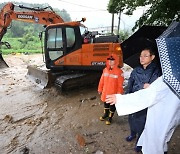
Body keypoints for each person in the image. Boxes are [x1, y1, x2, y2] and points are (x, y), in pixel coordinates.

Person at [105, 76, 180, 154]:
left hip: (160, 117)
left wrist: (120, 99)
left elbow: (148, 95)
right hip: (173, 116)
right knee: (163, 138)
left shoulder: (169, 78)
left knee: (154, 143)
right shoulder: (176, 78)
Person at [124, 47, 161, 152]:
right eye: (141, 56)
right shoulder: (136, 70)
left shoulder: (156, 70)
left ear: (152, 57)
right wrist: (127, 96)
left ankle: (140, 141)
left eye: (145, 55)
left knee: (141, 120)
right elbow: (130, 83)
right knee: (131, 117)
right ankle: (132, 133)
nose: (142, 58)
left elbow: (156, 86)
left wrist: (151, 85)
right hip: (134, 97)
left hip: (145, 100)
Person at [98, 54, 124, 125]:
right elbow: (101, 80)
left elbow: (120, 85)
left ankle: (110, 118)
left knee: (112, 106)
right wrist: (100, 88)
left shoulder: (119, 72)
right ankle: (106, 114)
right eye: (109, 60)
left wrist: (118, 94)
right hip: (105, 92)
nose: (110, 61)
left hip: (113, 93)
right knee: (106, 104)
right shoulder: (105, 70)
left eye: (112, 60)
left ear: (116, 61)